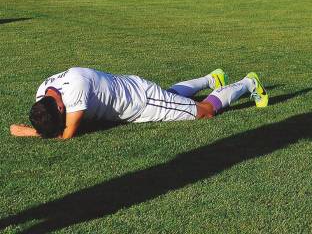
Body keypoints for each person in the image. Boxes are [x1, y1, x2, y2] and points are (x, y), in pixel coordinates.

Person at [10, 67, 268, 140]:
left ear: (60, 107)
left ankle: (248, 83)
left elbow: (66, 134)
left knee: (204, 112)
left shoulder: (76, 88)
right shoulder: (43, 91)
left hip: (139, 101)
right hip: (132, 91)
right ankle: (211, 79)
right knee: (171, 97)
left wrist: (30, 131)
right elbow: (58, 125)